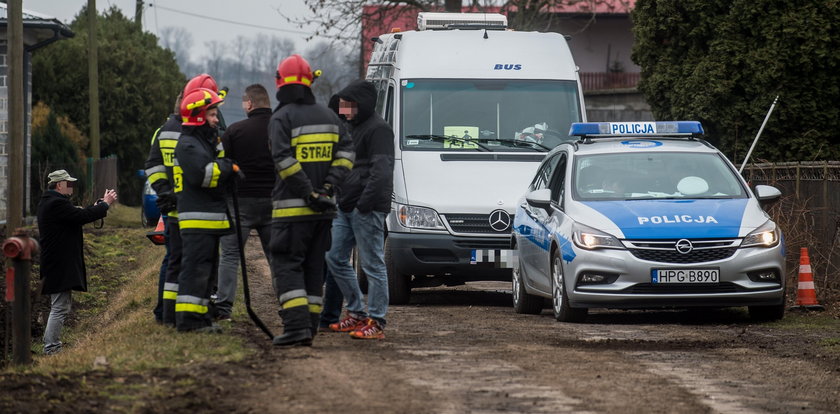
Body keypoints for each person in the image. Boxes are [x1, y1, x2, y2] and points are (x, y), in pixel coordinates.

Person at [269, 54, 354, 347]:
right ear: (309, 83)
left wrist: (309, 193)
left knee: (287, 266)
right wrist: (328, 188)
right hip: (323, 214)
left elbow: (283, 160)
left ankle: (295, 329)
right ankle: (310, 328)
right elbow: (346, 155)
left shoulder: (281, 117)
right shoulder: (329, 116)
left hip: (293, 213)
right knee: (314, 269)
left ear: (280, 82)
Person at [325, 80, 395, 340]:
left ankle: (376, 321)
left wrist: (364, 204)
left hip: (367, 209)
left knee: (373, 264)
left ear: (360, 105)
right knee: (334, 257)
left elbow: (382, 172)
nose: (342, 110)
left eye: (346, 105)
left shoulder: (379, 130)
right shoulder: (349, 127)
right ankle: (356, 313)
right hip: (345, 206)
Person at [155, 74, 225, 327]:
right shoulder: (184, 136)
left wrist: (165, 193)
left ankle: (171, 314)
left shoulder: (171, 131)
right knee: (183, 263)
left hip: (185, 207)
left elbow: (154, 165)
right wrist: (166, 193)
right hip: (187, 207)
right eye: (212, 112)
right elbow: (156, 165)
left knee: (179, 263)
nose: (215, 119)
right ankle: (173, 315)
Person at [173, 87, 239, 333]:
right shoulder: (189, 145)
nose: (216, 119)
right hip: (198, 221)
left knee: (206, 273)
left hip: (209, 220)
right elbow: (204, 175)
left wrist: (225, 166)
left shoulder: (203, 142)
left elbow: (216, 166)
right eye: (212, 114)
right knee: (195, 272)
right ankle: (189, 322)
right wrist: (227, 169)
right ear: (199, 116)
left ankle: (201, 318)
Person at [38, 170, 117, 354]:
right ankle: (51, 349)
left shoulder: (51, 203)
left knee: (60, 305)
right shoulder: (56, 204)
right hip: (58, 263)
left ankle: (51, 345)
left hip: (56, 262)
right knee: (59, 307)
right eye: (69, 183)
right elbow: (81, 217)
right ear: (59, 185)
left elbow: (78, 214)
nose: (72, 187)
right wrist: (105, 204)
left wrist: (96, 207)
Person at [215, 84, 275, 321]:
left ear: (249, 103)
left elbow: (222, 166)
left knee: (230, 255)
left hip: (240, 203)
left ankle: (223, 308)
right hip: (274, 201)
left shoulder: (235, 131)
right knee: (276, 256)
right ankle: (289, 306)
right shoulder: (281, 129)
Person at [144, 93, 182, 325]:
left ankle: (164, 310)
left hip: (170, 205)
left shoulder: (161, 131)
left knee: (172, 258)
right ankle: (167, 310)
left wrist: (163, 191)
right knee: (176, 258)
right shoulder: (187, 130)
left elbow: (153, 165)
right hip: (180, 205)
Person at [319, 94, 346, 330]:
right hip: (344, 204)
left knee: (323, 260)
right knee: (336, 260)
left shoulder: (326, 134)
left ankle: (315, 312)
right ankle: (330, 316)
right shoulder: (351, 133)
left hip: (325, 205)